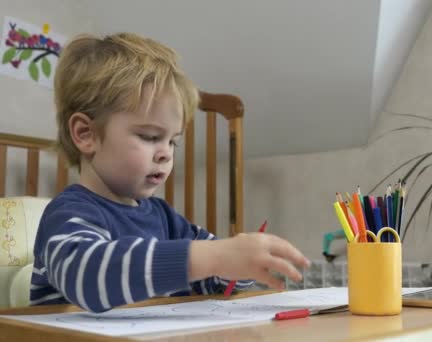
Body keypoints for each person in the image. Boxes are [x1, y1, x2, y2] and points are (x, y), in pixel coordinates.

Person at [30, 32, 310, 313]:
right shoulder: (68, 213)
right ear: (85, 134)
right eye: (150, 136)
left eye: (172, 141)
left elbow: (211, 278)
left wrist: (238, 265)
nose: (166, 153)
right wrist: (209, 257)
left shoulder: (164, 217)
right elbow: (87, 278)